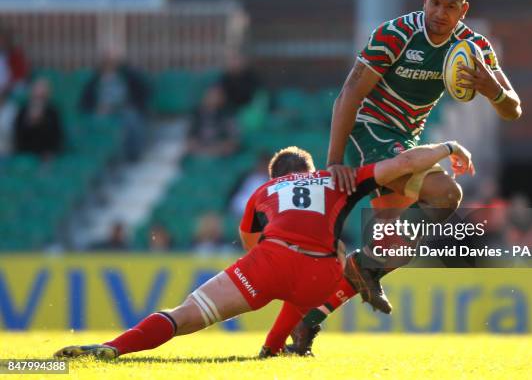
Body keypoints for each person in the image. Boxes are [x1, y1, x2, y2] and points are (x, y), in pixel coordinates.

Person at [280, 0, 522, 355]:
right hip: (370, 131)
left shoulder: (474, 48)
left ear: (464, 10)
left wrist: (494, 91)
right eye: (435, 2)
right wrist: (334, 160)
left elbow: (513, 109)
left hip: (405, 141)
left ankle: (307, 323)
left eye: (451, 7)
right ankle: (364, 265)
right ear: (424, 0)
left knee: (393, 247)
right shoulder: (396, 34)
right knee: (444, 193)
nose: (440, 12)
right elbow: (349, 92)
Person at [53, 140, 474, 360]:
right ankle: (275, 348)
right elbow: (404, 165)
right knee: (335, 256)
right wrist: (448, 148)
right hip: (321, 274)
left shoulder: (263, 190)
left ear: (275, 175)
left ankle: (115, 348)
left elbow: (254, 246)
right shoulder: (337, 179)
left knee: (186, 315)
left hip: (270, 260)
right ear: (310, 171)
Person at [80, 46, 150, 161]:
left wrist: (126, 105)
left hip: (124, 109)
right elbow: (85, 100)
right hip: (102, 110)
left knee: (131, 119)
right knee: (95, 122)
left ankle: (132, 156)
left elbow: (142, 91)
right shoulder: (96, 78)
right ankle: (101, 157)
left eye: (113, 58)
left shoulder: (128, 74)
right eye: (108, 58)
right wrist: (96, 108)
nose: (110, 61)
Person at [13, 78, 63, 159]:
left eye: (43, 93)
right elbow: (18, 136)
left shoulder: (53, 112)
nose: (39, 95)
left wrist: (42, 121)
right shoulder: (23, 110)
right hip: (24, 152)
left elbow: (56, 137)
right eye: (37, 91)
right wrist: (29, 122)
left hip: (46, 154)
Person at [186, 86, 240, 157]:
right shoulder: (195, 114)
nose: (211, 98)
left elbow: (234, 139)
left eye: (215, 96)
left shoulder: (228, 114)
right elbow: (189, 137)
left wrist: (217, 148)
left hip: (220, 151)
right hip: (199, 150)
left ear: (222, 98)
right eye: (209, 95)